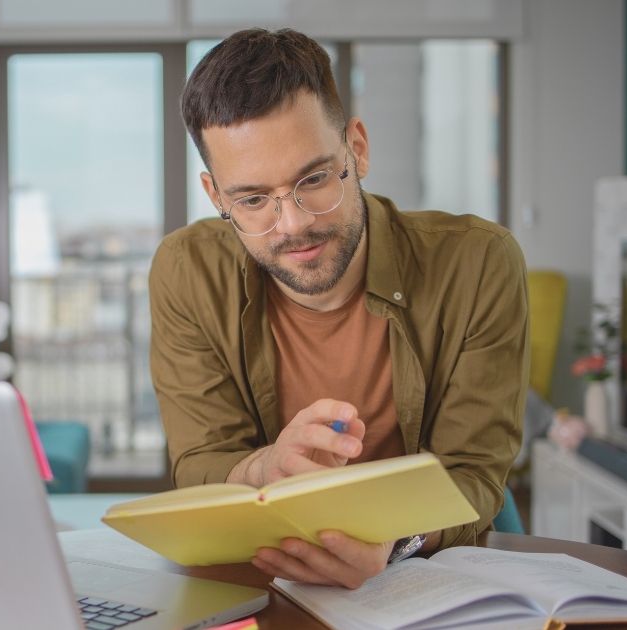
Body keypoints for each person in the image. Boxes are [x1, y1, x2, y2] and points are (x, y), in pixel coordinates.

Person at [149, 28, 528, 589]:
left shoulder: (479, 262)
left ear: (358, 148)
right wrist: (266, 467)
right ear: (215, 196)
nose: (295, 222)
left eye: (314, 178)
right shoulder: (186, 270)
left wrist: (394, 542)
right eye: (253, 199)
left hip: (425, 576)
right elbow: (200, 461)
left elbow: (472, 472)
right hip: (269, 578)